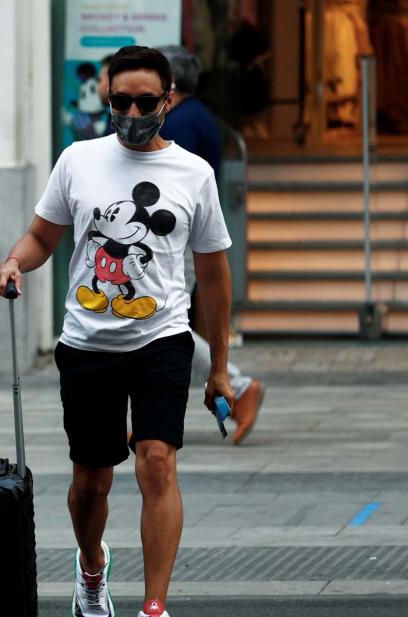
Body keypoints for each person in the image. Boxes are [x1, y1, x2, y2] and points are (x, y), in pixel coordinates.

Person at [0, 46, 233, 617]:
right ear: (107, 98)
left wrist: (219, 368)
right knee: (91, 481)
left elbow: (214, 275)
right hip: (89, 341)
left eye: (145, 102)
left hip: (162, 338)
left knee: (157, 463)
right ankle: (93, 565)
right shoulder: (79, 160)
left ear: (168, 100)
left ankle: (155, 609)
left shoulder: (193, 174)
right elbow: (42, 236)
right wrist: (13, 263)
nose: (131, 111)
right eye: (119, 100)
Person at [159, 45, 265, 444]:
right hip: (182, 237)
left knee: (161, 323)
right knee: (157, 322)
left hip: (178, 240)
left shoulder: (181, 123)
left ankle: (239, 384)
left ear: (168, 84)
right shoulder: (193, 117)